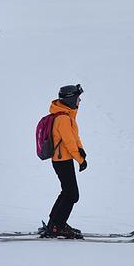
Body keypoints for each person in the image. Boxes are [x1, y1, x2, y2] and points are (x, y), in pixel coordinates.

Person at [42, 84, 86, 238]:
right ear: (70, 99)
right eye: (77, 98)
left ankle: (54, 223)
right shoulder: (63, 119)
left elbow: (75, 138)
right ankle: (57, 227)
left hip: (63, 160)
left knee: (67, 192)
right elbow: (69, 143)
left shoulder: (66, 116)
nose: (79, 100)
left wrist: (82, 151)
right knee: (72, 195)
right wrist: (81, 160)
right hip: (63, 161)